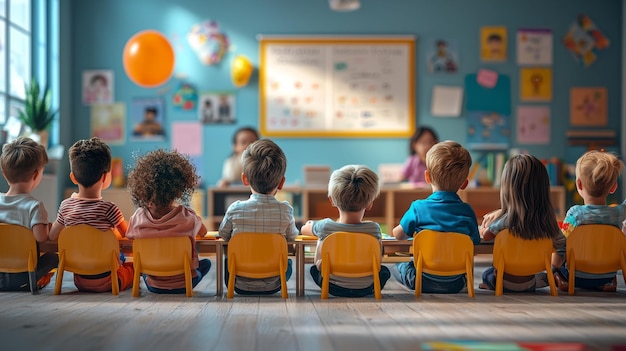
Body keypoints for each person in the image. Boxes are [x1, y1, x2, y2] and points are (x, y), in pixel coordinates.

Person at [392, 140, 480, 293]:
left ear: (427, 177)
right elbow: (474, 242)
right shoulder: (467, 211)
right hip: (457, 282)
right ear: (464, 184)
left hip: (421, 279)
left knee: (397, 264)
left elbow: (398, 235)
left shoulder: (418, 208)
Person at [49, 137, 133, 293]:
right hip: (109, 280)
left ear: (73, 177)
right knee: (131, 266)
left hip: (79, 280)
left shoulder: (65, 206)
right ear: (105, 177)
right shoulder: (110, 209)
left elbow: (53, 235)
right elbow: (129, 234)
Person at [218, 139, 298, 295]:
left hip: (237, 281)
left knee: (229, 259)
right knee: (287, 262)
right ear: (281, 183)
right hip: (274, 283)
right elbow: (293, 238)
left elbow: (223, 235)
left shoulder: (235, 209)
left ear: (244, 179)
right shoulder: (286, 210)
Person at [125, 149, 211, 294]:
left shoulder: (137, 217)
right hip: (184, 284)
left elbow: (129, 237)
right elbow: (204, 232)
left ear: (143, 188)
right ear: (179, 190)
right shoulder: (188, 217)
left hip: (153, 285)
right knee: (206, 263)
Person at [300, 164, 391, 297]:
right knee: (384, 271)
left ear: (332, 200)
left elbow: (304, 229)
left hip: (332, 286)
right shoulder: (374, 229)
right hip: (366, 287)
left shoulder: (325, 226)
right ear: (370, 203)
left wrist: (311, 224)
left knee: (314, 269)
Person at [479, 154, 565, 292]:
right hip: (530, 282)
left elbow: (487, 236)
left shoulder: (506, 220)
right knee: (540, 275)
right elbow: (562, 245)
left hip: (504, 282)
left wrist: (484, 229)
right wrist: (555, 267)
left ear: (507, 188)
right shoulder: (547, 222)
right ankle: (549, 277)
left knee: (487, 274)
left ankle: (488, 284)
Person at [554, 150, 625, 292]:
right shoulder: (618, 213)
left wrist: (554, 266)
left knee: (557, 265)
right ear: (613, 187)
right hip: (607, 273)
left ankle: (560, 278)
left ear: (579, 185)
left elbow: (561, 244)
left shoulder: (575, 214)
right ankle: (607, 282)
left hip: (577, 274)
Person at [0, 137, 58, 291]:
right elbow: (41, 237)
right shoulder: (34, 207)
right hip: (23, 276)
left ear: (4, 174)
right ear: (35, 175)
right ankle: (33, 283)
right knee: (54, 256)